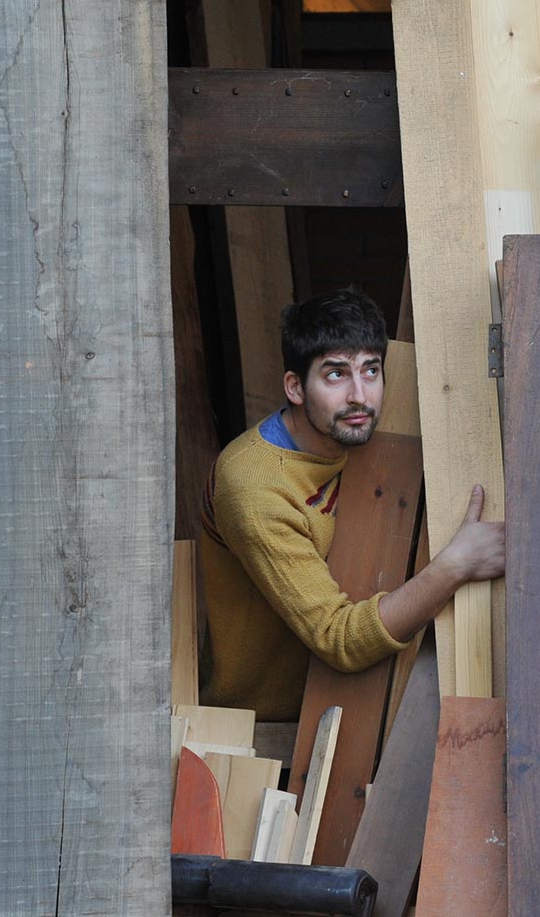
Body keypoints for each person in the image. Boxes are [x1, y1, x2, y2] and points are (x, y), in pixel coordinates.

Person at [196, 286, 504, 719]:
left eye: (371, 370)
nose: (360, 395)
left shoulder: (354, 433)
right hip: (265, 728)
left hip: (358, 706)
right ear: (295, 387)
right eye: (336, 375)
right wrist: (456, 566)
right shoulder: (255, 487)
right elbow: (337, 638)